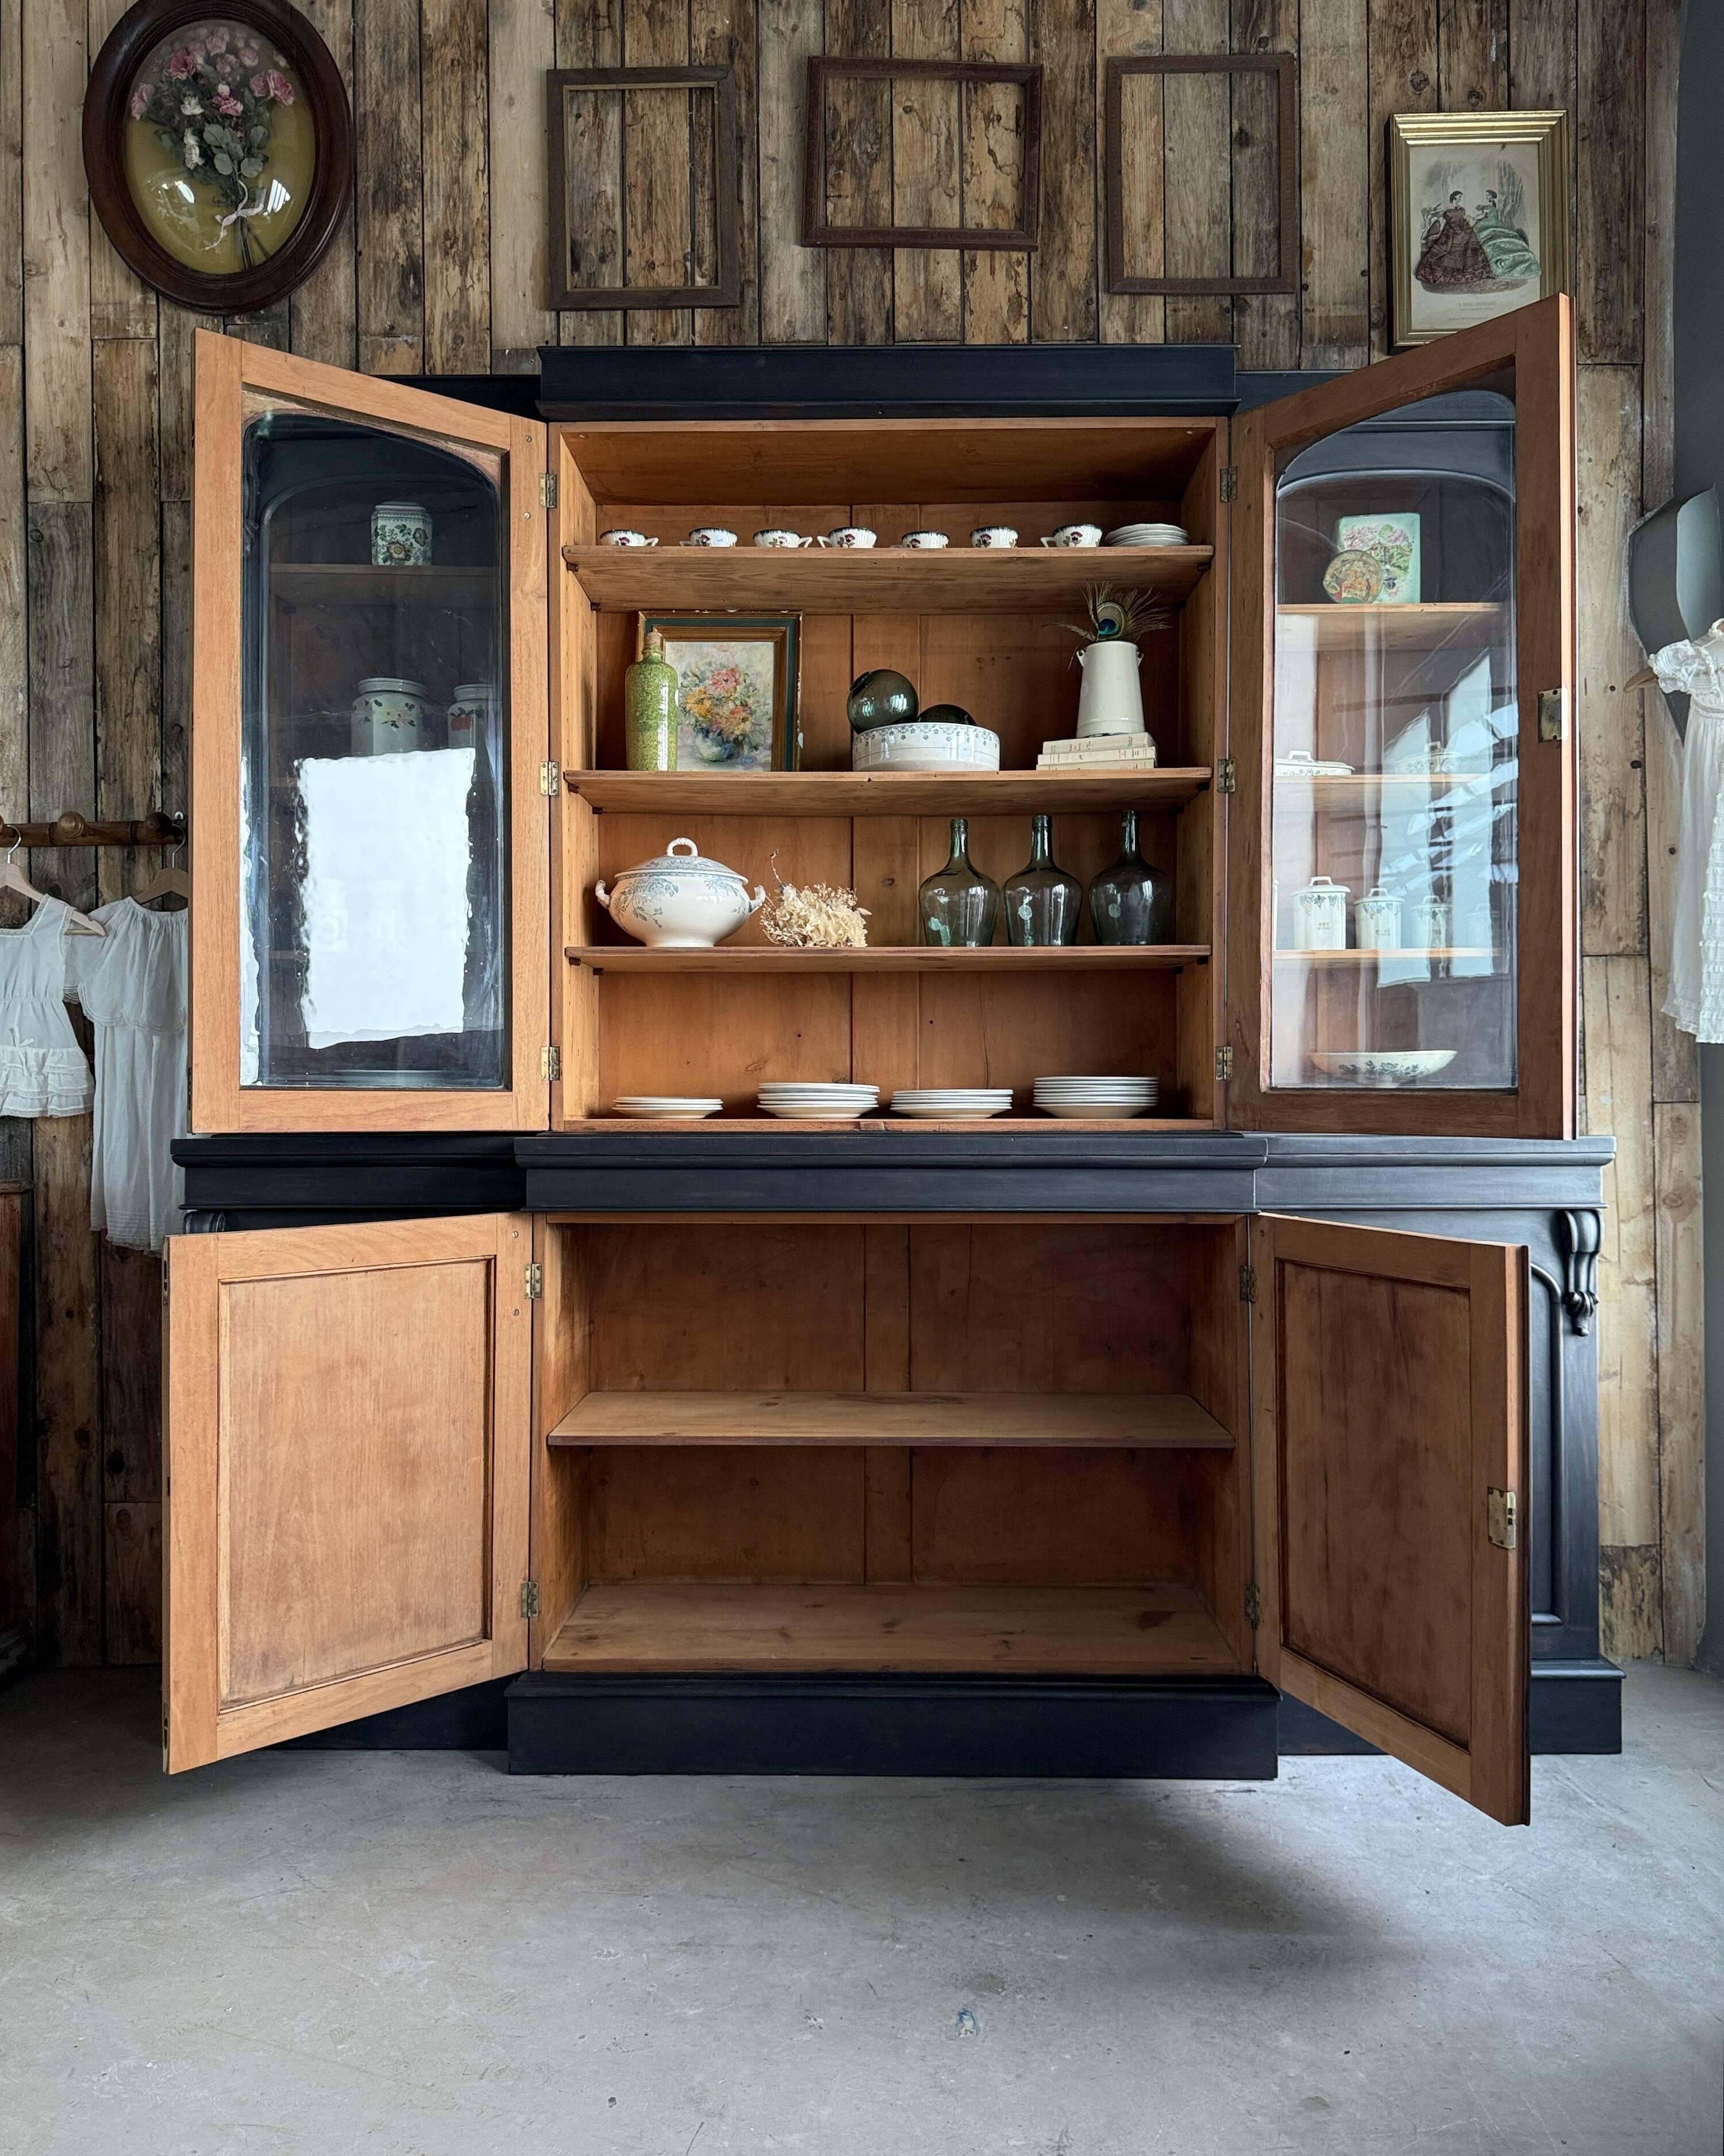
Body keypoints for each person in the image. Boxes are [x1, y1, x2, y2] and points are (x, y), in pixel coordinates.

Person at [1414, 190, 1494, 289]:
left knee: (1472, 248)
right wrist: (1439, 233)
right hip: (1452, 231)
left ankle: (1474, 270)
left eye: (1461, 197)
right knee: (1447, 248)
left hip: (1466, 230)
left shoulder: (1460, 207)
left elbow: (1466, 217)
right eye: (1459, 197)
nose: (1460, 198)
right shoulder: (1449, 209)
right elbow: (1444, 222)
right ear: (1455, 197)